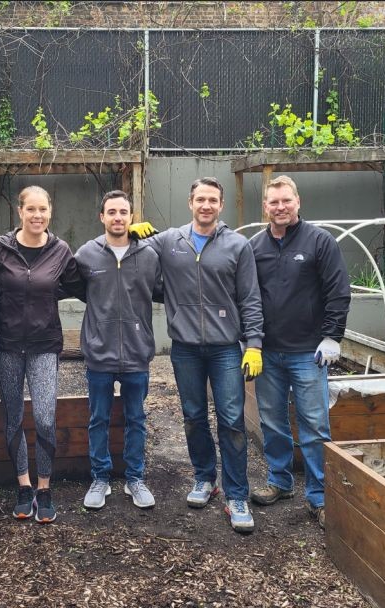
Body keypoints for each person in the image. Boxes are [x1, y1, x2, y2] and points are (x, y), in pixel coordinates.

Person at [140, 176, 264, 533]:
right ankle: (204, 478)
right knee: (193, 416)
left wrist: (253, 344)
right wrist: (132, 232)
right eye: (200, 200)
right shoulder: (169, 241)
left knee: (231, 420)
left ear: (220, 205)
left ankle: (236, 494)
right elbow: (137, 260)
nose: (206, 206)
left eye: (212, 200)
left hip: (226, 348)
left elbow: (250, 298)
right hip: (186, 349)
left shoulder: (237, 246)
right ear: (190, 203)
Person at [248, 175, 350, 530]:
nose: (280, 207)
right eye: (273, 202)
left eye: (286, 201)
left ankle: (320, 497)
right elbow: (247, 299)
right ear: (265, 206)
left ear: (298, 202)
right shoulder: (254, 247)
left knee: (314, 426)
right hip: (269, 353)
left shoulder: (320, 242)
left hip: (309, 352)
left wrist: (332, 336)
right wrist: (252, 342)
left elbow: (338, 291)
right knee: (272, 422)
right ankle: (280, 481)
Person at [0, 185, 84, 524]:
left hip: (44, 346)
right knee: (13, 417)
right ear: (20, 211)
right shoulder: (0, 248)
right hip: (7, 346)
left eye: (43, 209)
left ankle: (45, 487)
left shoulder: (60, 250)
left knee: (43, 417)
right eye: (31, 210)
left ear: (50, 212)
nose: (37, 215)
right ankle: (23, 486)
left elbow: (81, 285)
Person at [75, 190, 162, 510]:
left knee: (136, 418)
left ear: (131, 216)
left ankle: (135, 478)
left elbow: (164, 287)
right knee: (98, 418)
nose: (117, 217)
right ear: (102, 217)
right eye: (111, 212)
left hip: (137, 352)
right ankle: (100, 478)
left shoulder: (149, 254)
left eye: (123, 212)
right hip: (99, 352)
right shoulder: (86, 254)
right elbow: (77, 288)